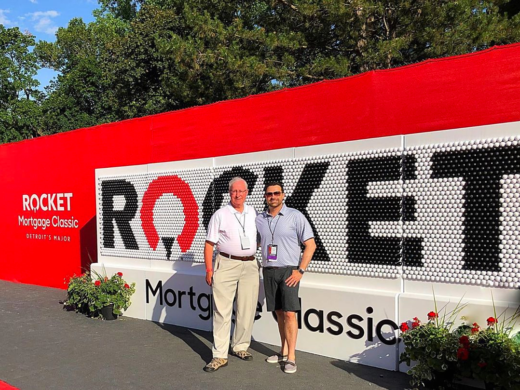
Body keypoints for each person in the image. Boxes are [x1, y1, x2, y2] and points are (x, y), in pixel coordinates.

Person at [255, 181, 316, 374]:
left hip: (289, 271)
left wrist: (300, 270)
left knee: (290, 313)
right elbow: (253, 243)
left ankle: (291, 357)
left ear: (283, 195)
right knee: (279, 313)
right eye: (269, 194)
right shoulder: (259, 219)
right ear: (265, 197)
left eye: (276, 193)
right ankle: (282, 351)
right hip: (269, 270)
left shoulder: (295, 216)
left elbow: (311, 245)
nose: (272, 197)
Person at [203, 177, 260, 372]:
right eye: (234, 191)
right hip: (226, 263)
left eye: (241, 191)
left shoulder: (253, 212)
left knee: (247, 308)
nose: (237, 195)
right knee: (222, 311)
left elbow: (258, 237)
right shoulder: (220, 214)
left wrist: (251, 249)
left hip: (250, 265)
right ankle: (219, 355)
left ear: (247, 192)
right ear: (229, 193)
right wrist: (209, 269)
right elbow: (209, 244)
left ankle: (240, 347)